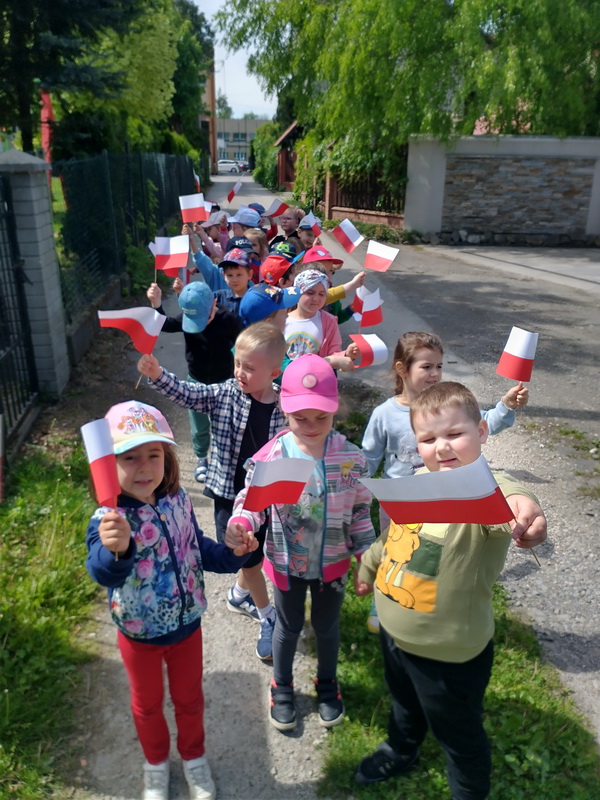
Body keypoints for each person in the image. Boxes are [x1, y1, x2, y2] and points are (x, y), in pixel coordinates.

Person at [354, 381, 547, 798]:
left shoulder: (483, 492)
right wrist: (369, 565)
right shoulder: (419, 481)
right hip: (393, 634)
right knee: (404, 703)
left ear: (482, 431)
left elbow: (510, 497)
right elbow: (394, 538)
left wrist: (525, 509)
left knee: (460, 737)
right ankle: (401, 747)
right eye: (428, 439)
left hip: (448, 657)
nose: (442, 447)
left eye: (455, 433)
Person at [85, 400, 256, 800]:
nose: (144, 467)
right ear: (109, 464)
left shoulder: (177, 499)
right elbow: (102, 571)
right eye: (130, 457)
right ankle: (156, 764)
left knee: (190, 699)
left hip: (187, 626)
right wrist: (116, 550)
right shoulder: (108, 520)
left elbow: (198, 549)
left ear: (168, 457)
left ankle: (194, 757)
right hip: (139, 635)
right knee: (147, 705)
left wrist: (233, 554)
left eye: (154, 454)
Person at [226, 354, 376, 730]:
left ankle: (327, 683)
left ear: (335, 408)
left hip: (333, 565)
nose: (310, 427)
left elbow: (361, 512)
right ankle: (282, 685)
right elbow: (251, 502)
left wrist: (366, 558)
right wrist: (241, 523)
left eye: (320, 418)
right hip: (285, 563)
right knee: (288, 626)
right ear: (284, 409)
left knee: (327, 627)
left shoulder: (350, 458)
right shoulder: (275, 455)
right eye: (300, 418)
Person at [137, 323, 288, 662]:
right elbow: (190, 394)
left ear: (274, 373)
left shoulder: (285, 405)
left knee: (254, 552)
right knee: (247, 555)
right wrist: (158, 374)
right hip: (228, 495)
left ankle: (239, 595)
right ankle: (267, 615)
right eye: (238, 363)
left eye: (250, 368)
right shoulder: (225, 393)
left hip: (264, 497)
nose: (240, 372)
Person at [362, 330, 529, 633]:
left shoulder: (448, 406)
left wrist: (506, 405)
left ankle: (434, 601)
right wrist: (354, 481)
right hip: (403, 501)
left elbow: (483, 422)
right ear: (402, 369)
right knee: (395, 551)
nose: (435, 373)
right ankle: (384, 597)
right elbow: (369, 456)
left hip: (447, 495)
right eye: (426, 366)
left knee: (434, 552)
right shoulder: (384, 414)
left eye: (439, 366)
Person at [146, 280, 243, 483]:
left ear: (214, 303)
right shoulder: (186, 317)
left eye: (204, 317)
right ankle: (201, 458)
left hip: (224, 382)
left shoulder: (229, 319)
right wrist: (156, 303)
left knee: (225, 424)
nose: (201, 324)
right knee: (199, 426)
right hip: (196, 379)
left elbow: (242, 344)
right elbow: (164, 324)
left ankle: (224, 460)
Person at [284, 267, 359, 371]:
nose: (316, 298)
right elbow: (275, 359)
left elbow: (334, 353)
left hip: (317, 379)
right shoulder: (282, 320)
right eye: (310, 293)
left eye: (321, 294)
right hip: (285, 379)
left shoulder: (329, 321)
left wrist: (346, 354)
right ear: (297, 292)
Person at [300, 245, 366, 324]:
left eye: (331, 270)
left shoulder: (333, 296)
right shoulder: (300, 291)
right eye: (322, 271)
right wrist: (353, 284)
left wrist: (350, 309)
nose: (327, 275)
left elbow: (337, 319)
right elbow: (327, 296)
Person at [190, 244, 254, 318]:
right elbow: (196, 306)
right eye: (230, 275)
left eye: (239, 275)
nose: (234, 280)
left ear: (249, 274)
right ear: (224, 275)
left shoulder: (257, 299)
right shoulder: (217, 298)